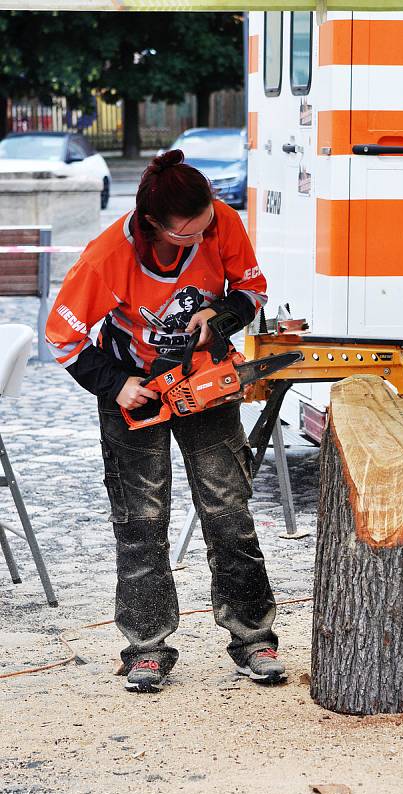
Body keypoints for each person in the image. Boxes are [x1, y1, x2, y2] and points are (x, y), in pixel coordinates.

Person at [45, 149, 286, 693]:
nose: (201, 241)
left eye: (205, 229)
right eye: (187, 236)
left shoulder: (220, 220)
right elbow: (62, 337)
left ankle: (254, 639)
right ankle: (146, 648)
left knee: (229, 511)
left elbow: (251, 289)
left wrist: (219, 315)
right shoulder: (106, 257)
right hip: (137, 390)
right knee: (141, 523)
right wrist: (116, 385)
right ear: (153, 225)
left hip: (206, 385)